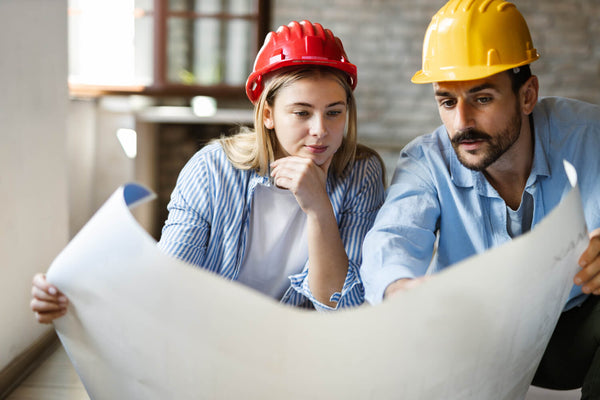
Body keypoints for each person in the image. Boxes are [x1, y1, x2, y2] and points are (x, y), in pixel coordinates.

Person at [31, 20, 385, 321]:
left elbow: (345, 310)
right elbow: (167, 279)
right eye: (302, 112)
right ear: (267, 114)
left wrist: (319, 209)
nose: (321, 130)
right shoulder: (212, 170)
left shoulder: (360, 174)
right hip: (210, 340)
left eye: (334, 112)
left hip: (299, 353)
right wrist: (76, 296)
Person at [359, 0, 600, 397]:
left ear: (527, 95)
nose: (461, 123)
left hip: (571, 333)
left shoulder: (588, 136)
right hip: (478, 340)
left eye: (482, 98)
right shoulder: (426, 161)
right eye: (447, 101)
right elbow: (392, 237)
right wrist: (398, 288)